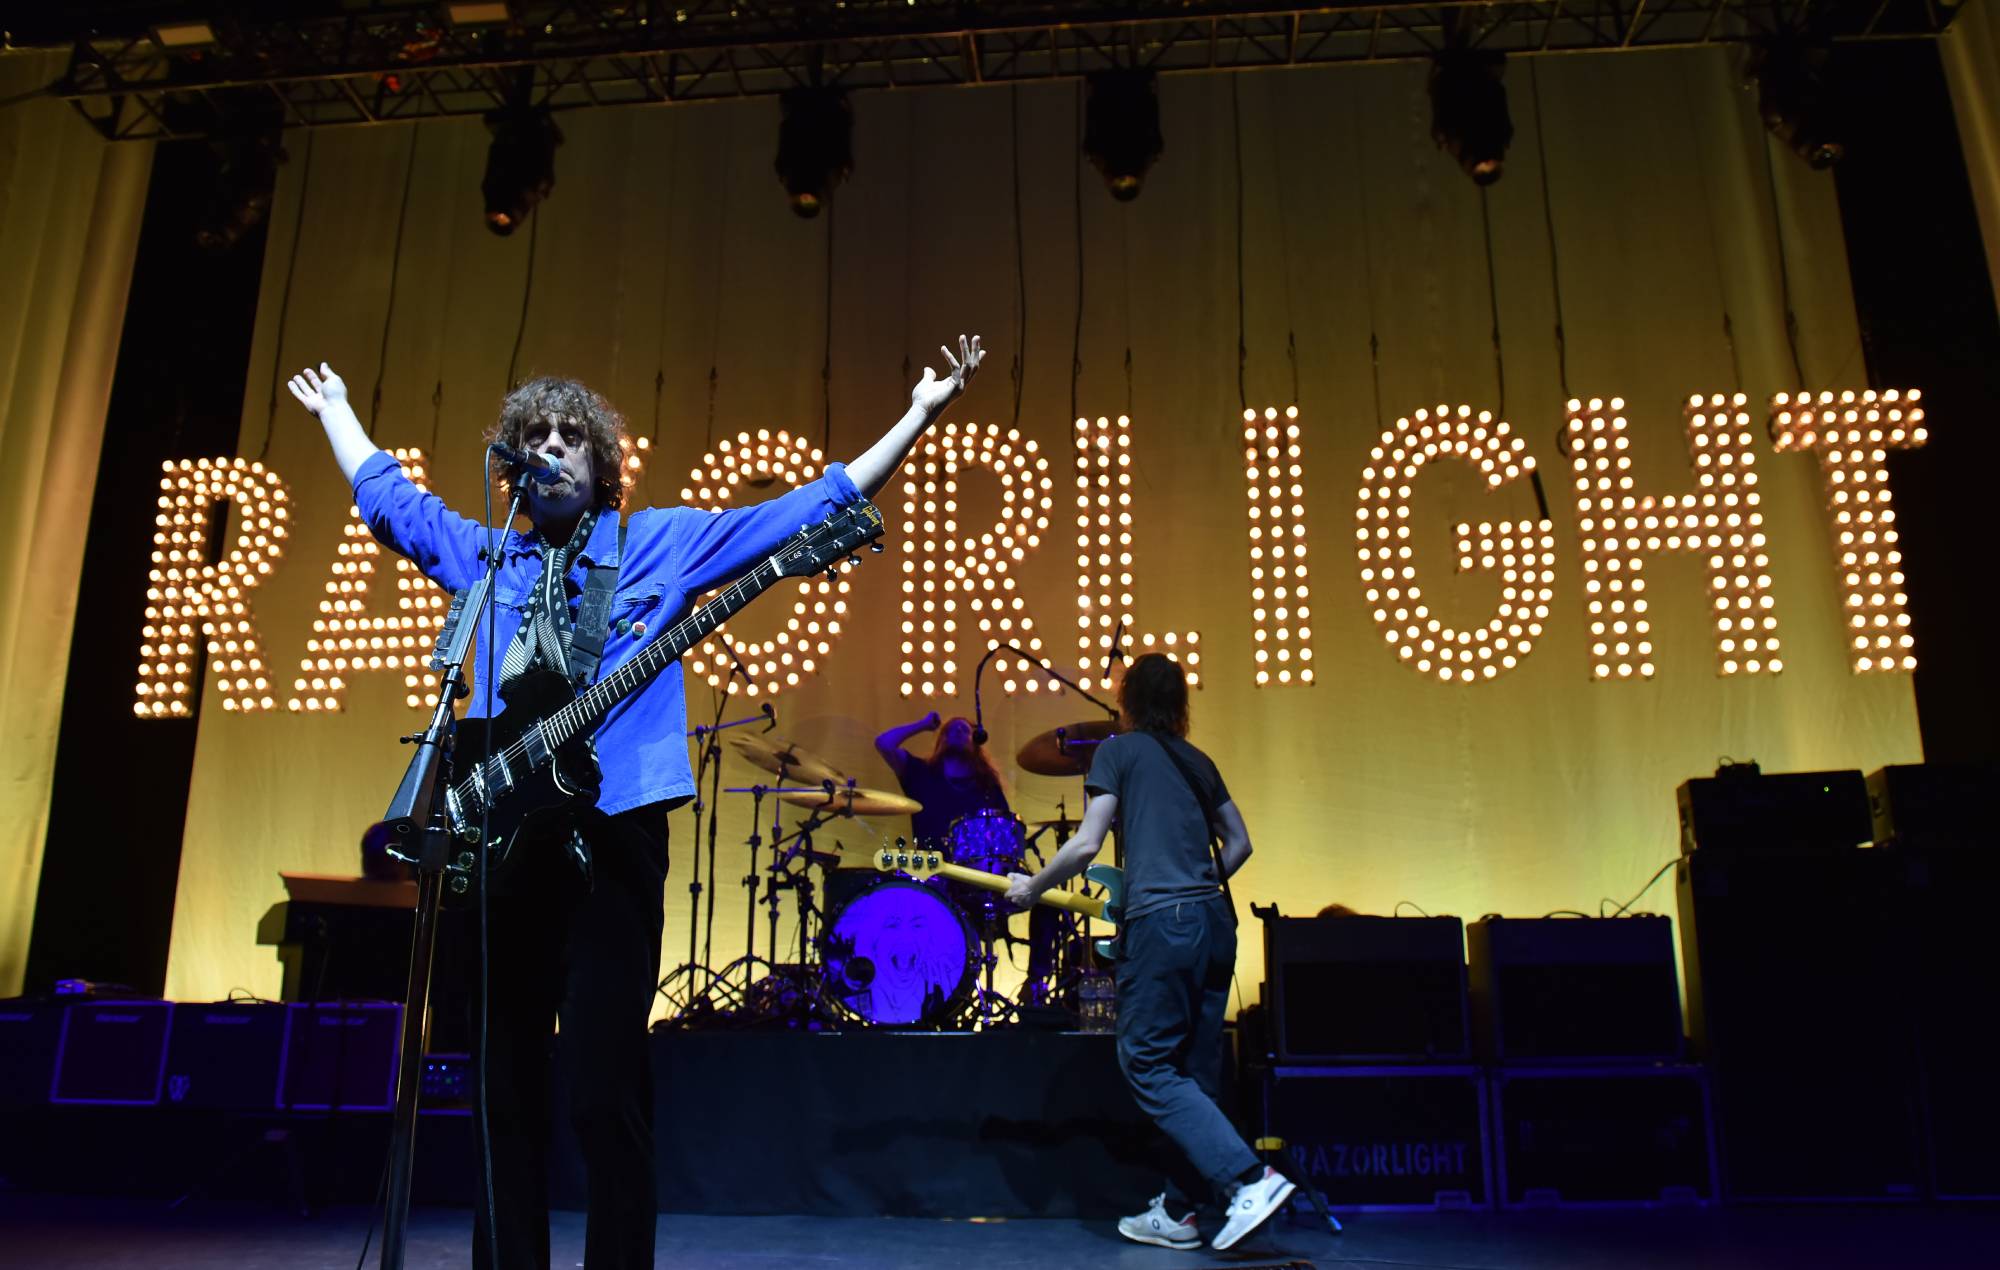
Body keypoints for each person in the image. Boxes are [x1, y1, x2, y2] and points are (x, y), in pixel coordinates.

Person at [289, 335, 982, 1270]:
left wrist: (916, 415)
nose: (553, 449)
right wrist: (338, 415)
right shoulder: (488, 564)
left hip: (615, 835)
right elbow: (393, 504)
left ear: (603, 460)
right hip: (503, 845)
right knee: (503, 1092)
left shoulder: (656, 542)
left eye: (572, 436)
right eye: (534, 436)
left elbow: (805, 509)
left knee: (601, 1086)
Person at [1005, 653, 1294, 1253]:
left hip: (1163, 927)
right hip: (1215, 922)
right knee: (1195, 1073)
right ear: (1181, 705)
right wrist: (1196, 879)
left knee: (1147, 1063)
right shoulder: (1198, 761)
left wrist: (1033, 888)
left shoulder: (1117, 752)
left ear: (1126, 701)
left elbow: (1087, 844)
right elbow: (1240, 844)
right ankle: (1181, 1211)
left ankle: (1248, 1179)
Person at [873, 712, 1012, 847]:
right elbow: (884, 743)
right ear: (942, 740)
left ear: (975, 743)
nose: (958, 730)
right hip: (930, 866)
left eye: (964, 729)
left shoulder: (986, 784)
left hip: (974, 867)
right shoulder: (920, 772)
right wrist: (923, 724)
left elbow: (1006, 828)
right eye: (950, 730)